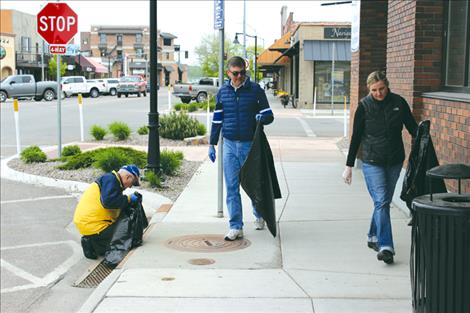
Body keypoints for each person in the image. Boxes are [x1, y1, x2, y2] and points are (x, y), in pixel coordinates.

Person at [342, 71, 417, 265]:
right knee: (382, 202)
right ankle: (386, 246)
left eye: (381, 88)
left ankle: (372, 236)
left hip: (394, 161)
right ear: (369, 89)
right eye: (374, 90)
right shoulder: (364, 106)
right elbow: (356, 137)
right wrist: (349, 166)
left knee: (381, 202)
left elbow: (412, 128)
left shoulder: (399, 103)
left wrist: (423, 136)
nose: (378, 93)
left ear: (387, 85)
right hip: (372, 162)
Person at [209, 56, 274, 241]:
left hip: (249, 145)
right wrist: (212, 144)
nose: (239, 77)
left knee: (252, 184)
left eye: (242, 73)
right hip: (228, 144)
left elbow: (269, 115)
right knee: (231, 186)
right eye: (235, 74)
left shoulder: (255, 90)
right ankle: (236, 226)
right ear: (228, 72)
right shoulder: (223, 92)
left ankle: (259, 213)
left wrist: (261, 117)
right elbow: (217, 119)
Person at [73, 164, 141, 259]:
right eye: (132, 183)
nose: (130, 187)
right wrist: (128, 199)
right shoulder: (111, 180)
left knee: (124, 232)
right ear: (128, 177)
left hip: (89, 223)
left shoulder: (111, 180)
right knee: (126, 237)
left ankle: (92, 240)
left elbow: (113, 203)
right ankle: (91, 243)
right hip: (94, 225)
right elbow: (109, 202)